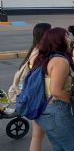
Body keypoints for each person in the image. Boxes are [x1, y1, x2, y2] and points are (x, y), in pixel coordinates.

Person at [33, 28, 74, 150]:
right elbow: (56, 91)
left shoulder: (44, 58)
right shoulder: (60, 61)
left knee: (59, 147)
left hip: (44, 109)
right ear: (58, 40)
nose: (70, 39)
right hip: (57, 110)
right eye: (66, 36)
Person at [8, 23, 51, 151]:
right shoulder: (40, 53)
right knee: (41, 135)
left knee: (37, 136)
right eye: (51, 31)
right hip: (39, 99)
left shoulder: (34, 49)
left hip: (33, 98)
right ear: (45, 35)